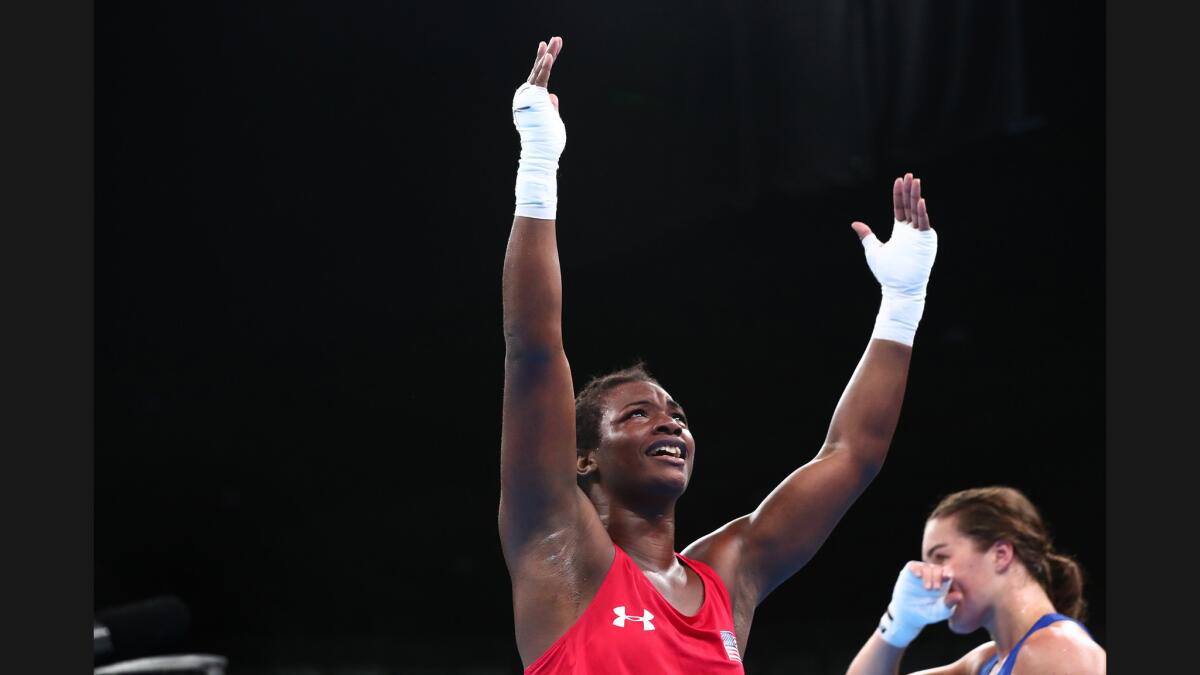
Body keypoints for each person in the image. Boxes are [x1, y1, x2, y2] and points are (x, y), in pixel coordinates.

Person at [500, 35, 938, 673]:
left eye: (674, 412)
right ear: (584, 457)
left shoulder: (728, 577)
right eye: (636, 415)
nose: (670, 421)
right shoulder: (558, 547)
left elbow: (850, 457)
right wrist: (538, 167)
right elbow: (534, 352)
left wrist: (903, 304)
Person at [846, 486, 1106, 675]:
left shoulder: (1059, 652)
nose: (931, 580)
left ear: (1001, 555)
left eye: (941, 557)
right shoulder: (986, 661)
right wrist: (898, 624)